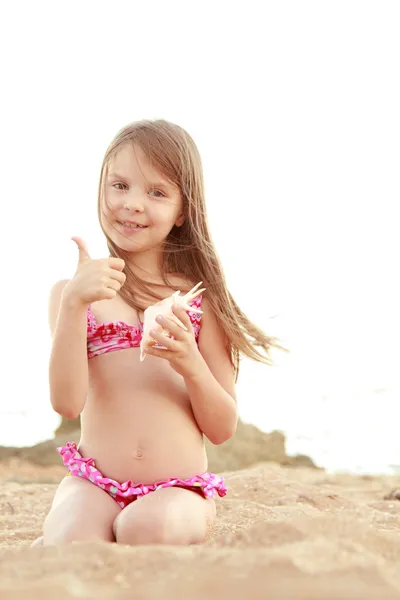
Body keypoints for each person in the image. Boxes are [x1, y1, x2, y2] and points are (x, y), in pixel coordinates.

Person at [33, 119, 280, 547]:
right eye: (120, 185)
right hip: (95, 483)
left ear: (183, 210)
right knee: (74, 538)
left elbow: (221, 428)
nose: (131, 204)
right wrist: (74, 305)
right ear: (102, 189)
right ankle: (56, 540)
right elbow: (67, 403)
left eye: (157, 192)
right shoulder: (73, 295)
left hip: (178, 491)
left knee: (143, 528)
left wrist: (190, 363)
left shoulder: (200, 302)